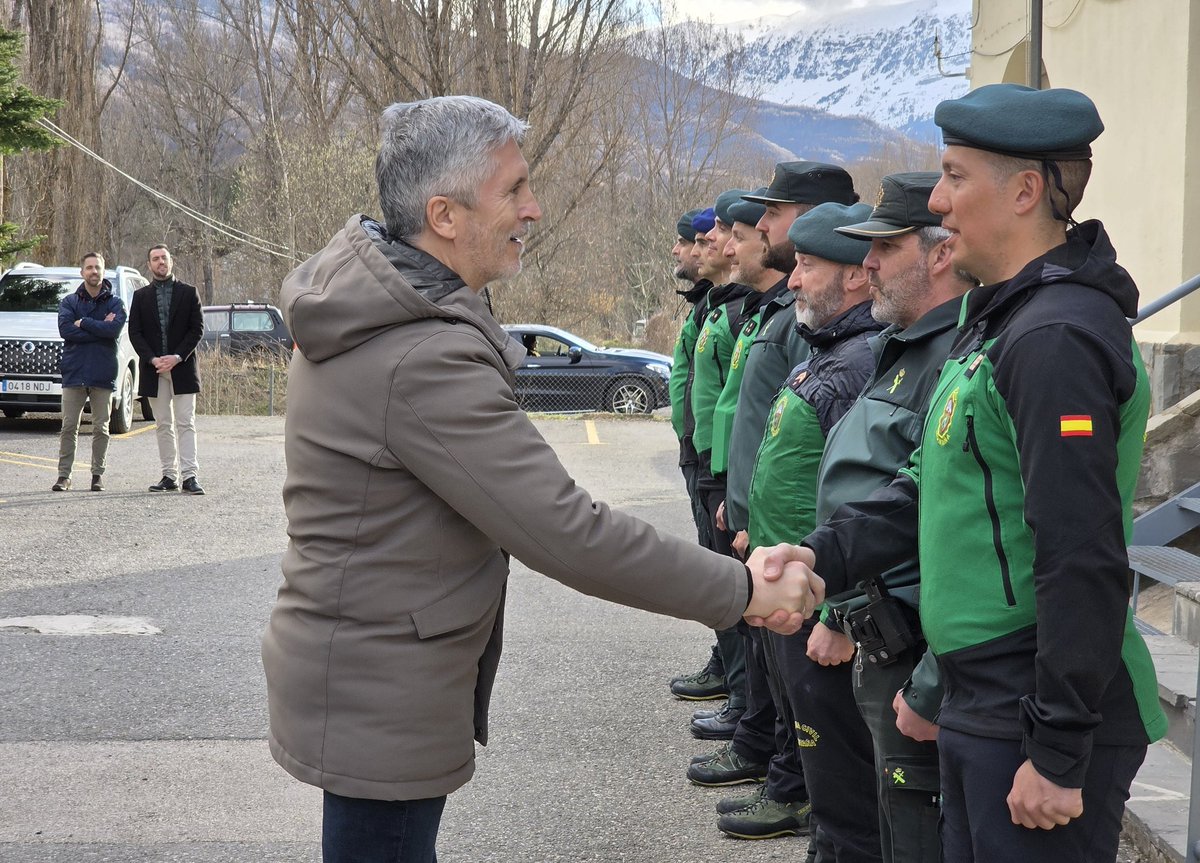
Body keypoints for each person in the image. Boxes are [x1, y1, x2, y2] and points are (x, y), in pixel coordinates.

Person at [260, 95, 822, 863]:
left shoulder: (388, 312)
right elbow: (566, 529)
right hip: (379, 688)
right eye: (515, 189)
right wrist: (745, 591)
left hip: (369, 672)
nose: (535, 207)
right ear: (444, 215)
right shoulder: (420, 355)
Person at [758, 84, 1168, 863]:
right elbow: (926, 486)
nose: (938, 202)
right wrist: (819, 555)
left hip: (1031, 703)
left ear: (1024, 191)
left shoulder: (1056, 340)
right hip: (988, 695)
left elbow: (1080, 553)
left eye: (953, 176)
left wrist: (1056, 748)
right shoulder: (1002, 320)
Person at [816, 172, 975, 863]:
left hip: (916, 648)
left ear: (939, 255)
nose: (868, 265)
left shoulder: (960, 353)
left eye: (886, 246)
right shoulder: (900, 345)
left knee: (918, 838)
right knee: (888, 824)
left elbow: (979, 530)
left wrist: (936, 678)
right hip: (877, 636)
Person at [748, 201, 886, 863]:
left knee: (845, 782)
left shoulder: (860, 362)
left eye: (808, 265)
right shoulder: (831, 351)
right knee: (821, 766)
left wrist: (834, 608)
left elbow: (865, 495)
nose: (793, 279)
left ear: (856, 278)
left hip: (823, 607)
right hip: (795, 595)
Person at [666, 207, 728, 704]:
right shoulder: (707, 305)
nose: (683, 250)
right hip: (698, 452)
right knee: (714, 563)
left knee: (723, 569)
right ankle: (728, 664)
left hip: (717, 462)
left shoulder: (730, 309)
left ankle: (738, 681)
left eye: (692, 241)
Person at [127, 244, 205, 495]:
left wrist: (177, 357)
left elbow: (197, 330)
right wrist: (152, 359)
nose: (161, 262)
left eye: (164, 258)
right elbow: (135, 333)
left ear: (171, 261)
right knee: (162, 423)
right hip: (154, 369)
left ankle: (190, 476)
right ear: (149, 265)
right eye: (155, 259)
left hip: (182, 368)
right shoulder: (140, 297)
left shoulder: (189, 293)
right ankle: (169, 476)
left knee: (186, 422)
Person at [52, 252, 126, 492]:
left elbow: (113, 330)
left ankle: (97, 475)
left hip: (103, 372)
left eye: (98, 268)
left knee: (100, 427)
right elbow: (66, 330)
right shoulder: (69, 302)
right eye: (89, 267)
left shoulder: (115, 303)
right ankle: (64, 476)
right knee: (68, 427)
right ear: (82, 272)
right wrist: (99, 328)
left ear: (104, 271)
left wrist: (83, 322)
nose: (94, 272)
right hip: (74, 372)